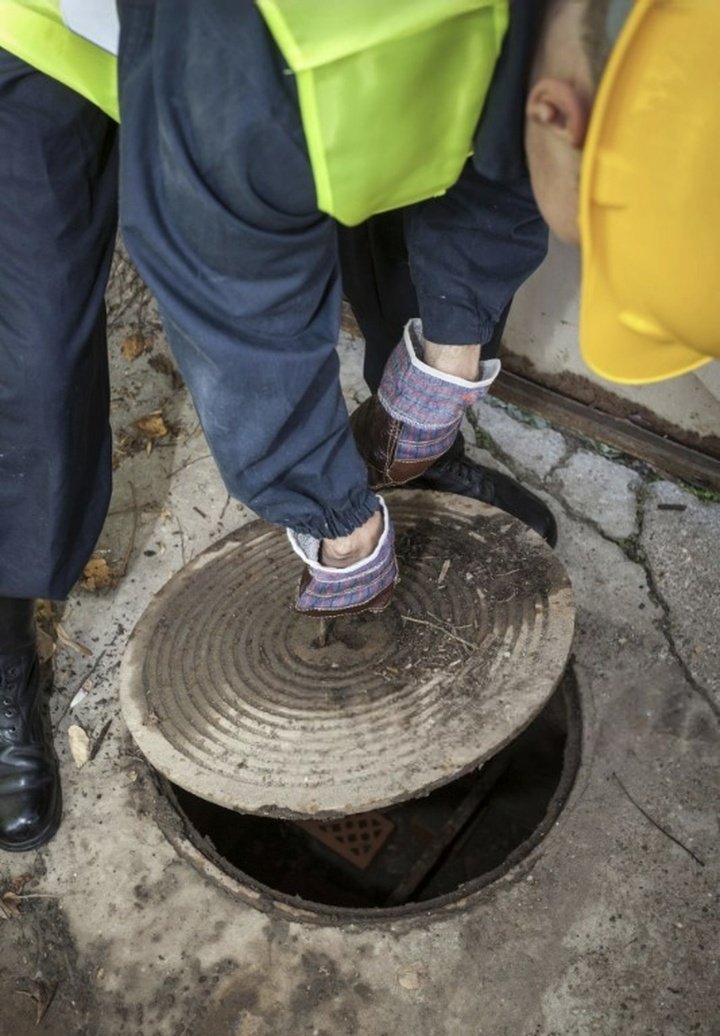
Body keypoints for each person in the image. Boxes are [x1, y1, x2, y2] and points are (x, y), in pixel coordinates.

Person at [1, 0, 717, 852]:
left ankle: (394, 464)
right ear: (560, 110)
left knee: (397, 192)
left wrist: (442, 366)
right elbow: (236, 306)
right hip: (60, 29)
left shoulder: (595, 34)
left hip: (335, 61)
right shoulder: (239, 80)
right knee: (28, 357)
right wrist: (328, 520)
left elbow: (506, 166)